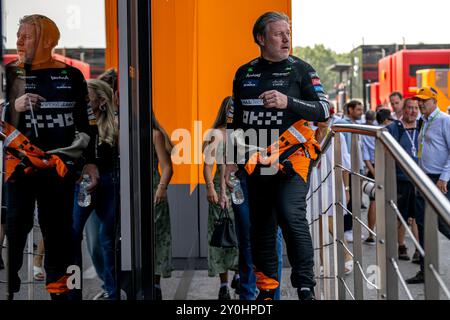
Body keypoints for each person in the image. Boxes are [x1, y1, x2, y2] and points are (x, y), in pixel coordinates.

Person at [225, 12, 330, 300]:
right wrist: (229, 161)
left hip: (293, 158)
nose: (286, 39)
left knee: (289, 212)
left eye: (288, 33)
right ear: (261, 38)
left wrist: (289, 102)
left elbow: (325, 110)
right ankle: (267, 290)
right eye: (278, 33)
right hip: (255, 160)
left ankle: (305, 286)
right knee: (260, 225)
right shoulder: (243, 73)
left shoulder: (301, 70)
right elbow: (235, 123)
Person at [4, 14, 98, 300]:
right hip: (19, 166)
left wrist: (91, 161)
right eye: (18, 35)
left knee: (59, 234)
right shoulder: (10, 73)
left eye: (26, 36)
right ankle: (11, 283)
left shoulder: (71, 75)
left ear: (48, 42)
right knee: (16, 222)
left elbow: (87, 122)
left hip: (59, 167)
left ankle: (63, 293)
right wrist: (12, 106)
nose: (19, 41)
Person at [222, 97, 284, 300]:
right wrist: (230, 166)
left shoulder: (278, 97)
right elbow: (231, 131)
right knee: (246, 237)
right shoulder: (237, 99)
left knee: (272, 238)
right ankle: (248, 295)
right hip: (241, 177)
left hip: (270, 174)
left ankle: (272, 295)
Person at [72, 79, 119, 300]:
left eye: (86, 97)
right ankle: (73, 291)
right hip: (83, 184)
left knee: (107, 239)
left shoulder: (116, 124)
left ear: (101, 101)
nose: (82, 102)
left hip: (109, 183)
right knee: (74, 236)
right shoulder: (77, 124)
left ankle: (112, 291)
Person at [406, 86, 450, 284]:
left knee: (443, 222)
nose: (420, 103)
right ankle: (425, 270)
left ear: (435, 101)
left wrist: (444, 178)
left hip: (440, 180)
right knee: (423, 224)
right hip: (423, 178)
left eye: (424, 100)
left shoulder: (444, 121)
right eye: (419, 100)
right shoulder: (423, 121)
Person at [203, 97, 239, 300]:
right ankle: (224, 284)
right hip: (220, 190)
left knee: (241, 237)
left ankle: (239, 274)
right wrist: (212, 189)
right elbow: (208, 165)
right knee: (221, 237)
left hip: (242, 191)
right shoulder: (217, 134)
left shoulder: (244, 133)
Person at [386, 98, 421, 261]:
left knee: (418, 216)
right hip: (401, 179)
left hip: (420, 179)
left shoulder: (422, 126)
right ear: (403, 109)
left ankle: (418, 248)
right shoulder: (394, 128)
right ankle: (401, 245)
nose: (413, 111)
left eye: (416, 108)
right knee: (400, 215)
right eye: (410, 107)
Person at [152, 112, 174, 300]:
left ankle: (156, 284)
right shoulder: (121, 131)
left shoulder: (155, 135)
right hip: (127, 189)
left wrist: (161, 188)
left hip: (152, 189)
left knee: (158, 236)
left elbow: (167, 166)